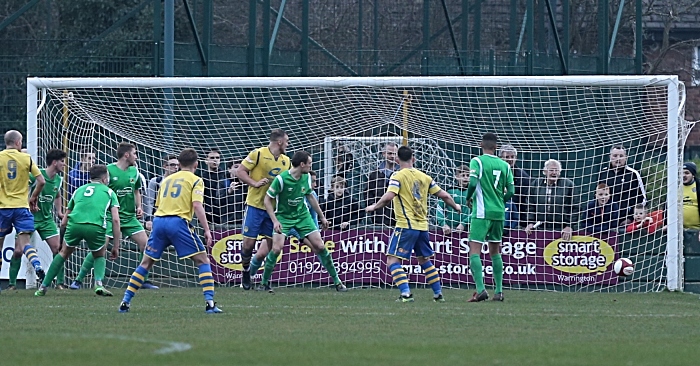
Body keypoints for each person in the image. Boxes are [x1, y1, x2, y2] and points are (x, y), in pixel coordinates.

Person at [119, 148, 222, 313]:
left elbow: (158, 205)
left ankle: (125, 301)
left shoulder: (166, 180)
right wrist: (207, 230)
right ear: (196, 164)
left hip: (159, 221)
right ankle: (210, 303)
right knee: (203, 261)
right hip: (178, 222)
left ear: (179, 164)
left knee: (146, 263)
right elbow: (197, 205)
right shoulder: (196, 180)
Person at [366, 145, 460, 302]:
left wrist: (375, 206)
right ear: (413, 159)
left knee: (393, 260)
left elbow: (389, 196)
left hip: (405, 225)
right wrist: (456, 206)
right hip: (423, 226)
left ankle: (406, 294)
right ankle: (438, 294)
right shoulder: (424, 176)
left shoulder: (398, 176)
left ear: (397, 159)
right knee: (424, 260)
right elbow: (443, 194)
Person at [70, 142, 158, 290]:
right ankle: (79, 280)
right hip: (110, 217)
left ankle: (143, 280)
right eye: (135, 153)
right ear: (127, 155)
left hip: (129, 218)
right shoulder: (108, 171)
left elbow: (136, 191)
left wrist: (139, 207)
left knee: (146, 245)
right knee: (100, 249)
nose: (137, 157)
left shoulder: (134, 172)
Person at [261, 151, 347, 293]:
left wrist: (322, 217)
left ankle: (337, 282)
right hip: (283, 217)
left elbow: (310, 197)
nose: (310, 166)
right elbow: (267, 200)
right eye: (309, 163)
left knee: (320, 246)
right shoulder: (281, 179)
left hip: (302, 216)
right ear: (302, 164)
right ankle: (264, 283)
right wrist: (275, 221)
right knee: (276, 249)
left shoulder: (306, 177)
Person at [35, 164, 121, 297]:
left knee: (63, 254)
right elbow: (115, 220)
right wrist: (116, 245)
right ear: (104, 178)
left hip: (74, 224)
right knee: (99, 254)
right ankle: (98, 284)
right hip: (95, 226)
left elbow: (64, 221)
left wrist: (62, 239)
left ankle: (43, 287)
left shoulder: (79, 190)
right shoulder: (109, 192)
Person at [237, 129, 291, 290]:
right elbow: (240, 171)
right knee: (248, 244)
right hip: (255, 205)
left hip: (273, 211)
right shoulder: (258, 154)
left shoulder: (286, 161)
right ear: (279, 142)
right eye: (286, 141)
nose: (288, 144)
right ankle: (246, 271)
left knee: (273, 246)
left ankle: (264, 281)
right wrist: (254, 183)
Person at [464, 133, 515, 303]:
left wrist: (468, 198)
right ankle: (499, 291)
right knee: (495, 251)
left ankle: (480, 290)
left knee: (474, 250)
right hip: (499, 213)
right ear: (496, 147)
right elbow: (512, 191)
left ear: (481, 144)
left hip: (481, 212)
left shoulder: (477, 161)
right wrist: (501, 201)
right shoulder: (505, 165)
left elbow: (472, 183)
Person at [7, 149, 67, 290]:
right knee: (18, 251)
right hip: (29, 218)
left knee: (58, 249)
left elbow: (57, 195)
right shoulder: (36, 175)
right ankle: (12, 284)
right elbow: (22, 188)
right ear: (54, 162)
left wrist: (59, 211)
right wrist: (28, 202)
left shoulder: (58, 180)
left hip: (46, 220)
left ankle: (60, 283)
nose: (64, 164)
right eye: (62, 161)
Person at [0, 130, 46, 284]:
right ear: (18, 142)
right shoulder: (26, 158)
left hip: (3, 208)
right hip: (21, 207)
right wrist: (33, 197)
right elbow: (41, 181)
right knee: (25, 244)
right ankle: (37, 265)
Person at [525, 159, 576, 241]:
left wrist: (570, 226)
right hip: (539, 228)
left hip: (561, 229)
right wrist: (530, 223)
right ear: (545, 171)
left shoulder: (568, 185)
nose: (554, 173)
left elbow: (575, 207)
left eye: (557, 170)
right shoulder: (535, 184)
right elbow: (530, 205)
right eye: (551, 170)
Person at [598, 145, 647, 224]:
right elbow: (597, 196)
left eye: (621, 156)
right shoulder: (603, 173)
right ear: (610, 157)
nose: (618, 159)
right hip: (605, 221)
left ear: (626, 157)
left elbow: (642, 200)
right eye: (615, 156)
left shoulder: (633, 174)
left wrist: (630, 218)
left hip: (626, 222)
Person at [366, 142, 399, 227]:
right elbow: (368, 192)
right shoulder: (375, 174)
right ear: (383, 154)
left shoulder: (401, 173)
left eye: (395, 154)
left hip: (398, 215)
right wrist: (372, 203)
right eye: (390, 153)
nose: (392, 156)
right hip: (379, 215)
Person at [144, 155, 180, 231]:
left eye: (178, 165)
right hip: (158, 218)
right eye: (172, 165)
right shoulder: (156, 181)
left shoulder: (181, 183)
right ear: (165, 167)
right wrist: (148, 218)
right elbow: (149, 201)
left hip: (175, 219)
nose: (176, 167)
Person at [437, 165, 471, 235]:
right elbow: (439, 208)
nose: (466, 178)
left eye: (468, 175)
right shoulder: (450, 191)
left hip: (469, 229)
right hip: (450, 230)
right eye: (463, 175)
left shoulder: (473, 192)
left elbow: (477, 211)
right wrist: (443, 224)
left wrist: (464, 223)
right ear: (457, 177)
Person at [499, 144, 530, 215]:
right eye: (507, 157)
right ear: (501, 158)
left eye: (512, 157)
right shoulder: (495, 172)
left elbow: (524, 199)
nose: (510, 159)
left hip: (516, 213)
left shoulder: (523, 176)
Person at [200, 148, 228, 225]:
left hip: (224, 213)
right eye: (212, 158)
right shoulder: (201, 177)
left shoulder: (225, 175)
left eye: (217, 158)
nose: (215, 160)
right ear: (206, 161)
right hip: (206, 214)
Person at [222, 159, 246, 225]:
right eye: (236, 167)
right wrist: (229, 191)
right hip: (227, 222)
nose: (238, 169)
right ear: (229, 169)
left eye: (241, 167)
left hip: (243, 221)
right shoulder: (223, 182)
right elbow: (217, 202)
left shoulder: (247, 183)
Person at [682, 162, 700, 229]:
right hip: (679, 230)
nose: (683, 175)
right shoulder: (675, 188)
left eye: (687, 173)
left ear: (693, 174)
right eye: (682, 173)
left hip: (697, 230)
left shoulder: (698, 186)